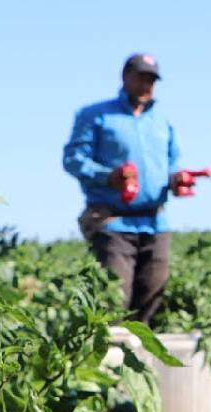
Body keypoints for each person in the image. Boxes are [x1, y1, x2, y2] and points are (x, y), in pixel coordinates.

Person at [63, 53, 182, 325]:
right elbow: (73, 159)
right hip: (113, 221)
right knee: (114, 297)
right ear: (125, 77)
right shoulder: (96, 116)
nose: (146, 85)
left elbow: (173, 162)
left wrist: (177, 179)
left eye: (151, 79)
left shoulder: (161, 123)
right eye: (141, 77)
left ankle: (137, 359)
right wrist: (108, 177)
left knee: (152, 292)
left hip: (155, 221)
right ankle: (110, 358)